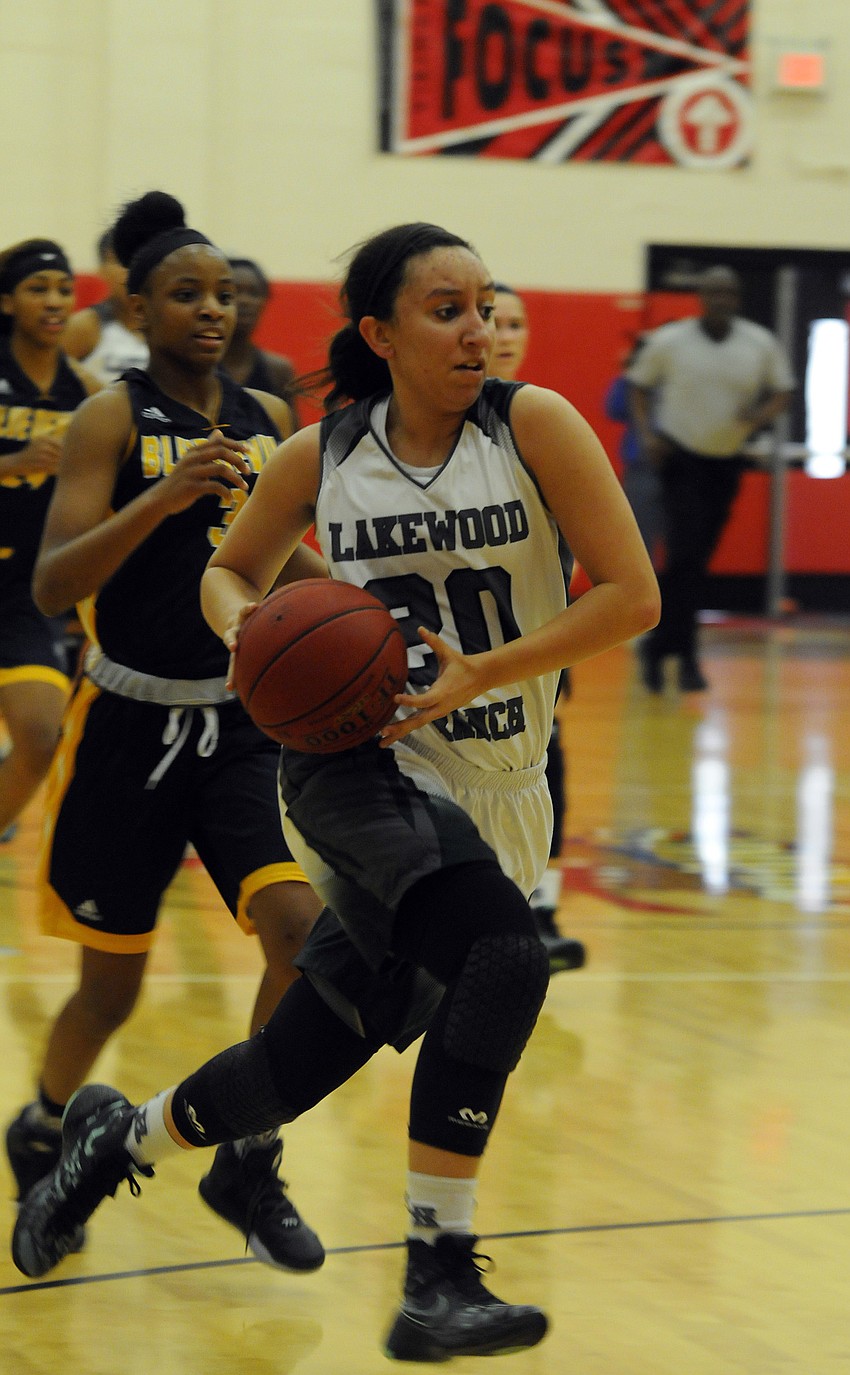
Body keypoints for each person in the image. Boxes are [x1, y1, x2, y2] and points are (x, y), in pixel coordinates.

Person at [12, 221, 659, 1361]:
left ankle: (117, 1146)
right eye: (445, 309)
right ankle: (436, 1274)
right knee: (506, 960)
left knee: (300, 1060)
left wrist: (487, 670)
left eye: (487, 304)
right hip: (364, 776)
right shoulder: (319, 454)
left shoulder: (536, 425)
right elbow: (231, 571)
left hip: (500, 783)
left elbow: (633, 595)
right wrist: (249, 639)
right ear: (380, 332)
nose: (477, 329)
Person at [5, 192, 325, 1273]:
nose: (211, 311)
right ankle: (47, 1129)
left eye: (224, 295)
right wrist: (166, 497)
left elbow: (288, 558)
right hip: (127, 719)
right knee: (112, 984)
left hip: (242, 723)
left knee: (297, 928)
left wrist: (373, 615)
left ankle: (249, 1150)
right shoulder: (108, 416)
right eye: (185, 294)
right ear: (135, 305)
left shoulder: (270, 420)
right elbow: (55, 580)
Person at [629, 265, 794, 692]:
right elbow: (638, 386)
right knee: (684, 559)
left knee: (695, 564)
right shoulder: (671, 341)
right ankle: (686, 658)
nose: (720, 300)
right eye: (712, 292)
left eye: (728, 294)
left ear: (736, 299)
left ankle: (659, 647)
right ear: (701, 296)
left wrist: (758, 416)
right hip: (681, 459)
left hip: (726, 461)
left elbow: (783, 390)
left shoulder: (758, 343)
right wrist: (648, 436)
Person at [490, 283, 583, 973]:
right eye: (495, 319)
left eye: (518, 322)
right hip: (455, 635)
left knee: (547, 750)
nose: (505, 332)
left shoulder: (543, 420)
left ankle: (538, 901)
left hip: (535, 626)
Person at [0, 239, 100, 845]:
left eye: (64, 288)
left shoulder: (86, 390)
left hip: (21, 592)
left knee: (41, 736)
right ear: (7, 302)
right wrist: (12, 464)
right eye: (38, 289)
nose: (55, 300)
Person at [603, 335, 665, 566]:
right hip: (641, 468)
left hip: (681, 468)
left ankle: (676, 598)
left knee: (680, 544)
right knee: (639, 538)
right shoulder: (634, 383)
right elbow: (613, 408)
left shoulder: (678, 378)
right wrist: (628, 373)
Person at [61, 227, 150, 383]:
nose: (131, 271)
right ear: (101, 271)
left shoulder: (170, 327)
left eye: (140, 260)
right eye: (122, 261)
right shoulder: (85, 326)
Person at [219, 257, 297, 419]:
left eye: (253, 293)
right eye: (234, 292)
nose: (244, 301)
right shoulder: (197, 366)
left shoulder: (278, 370)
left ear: (265, 300)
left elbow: (291, 436)